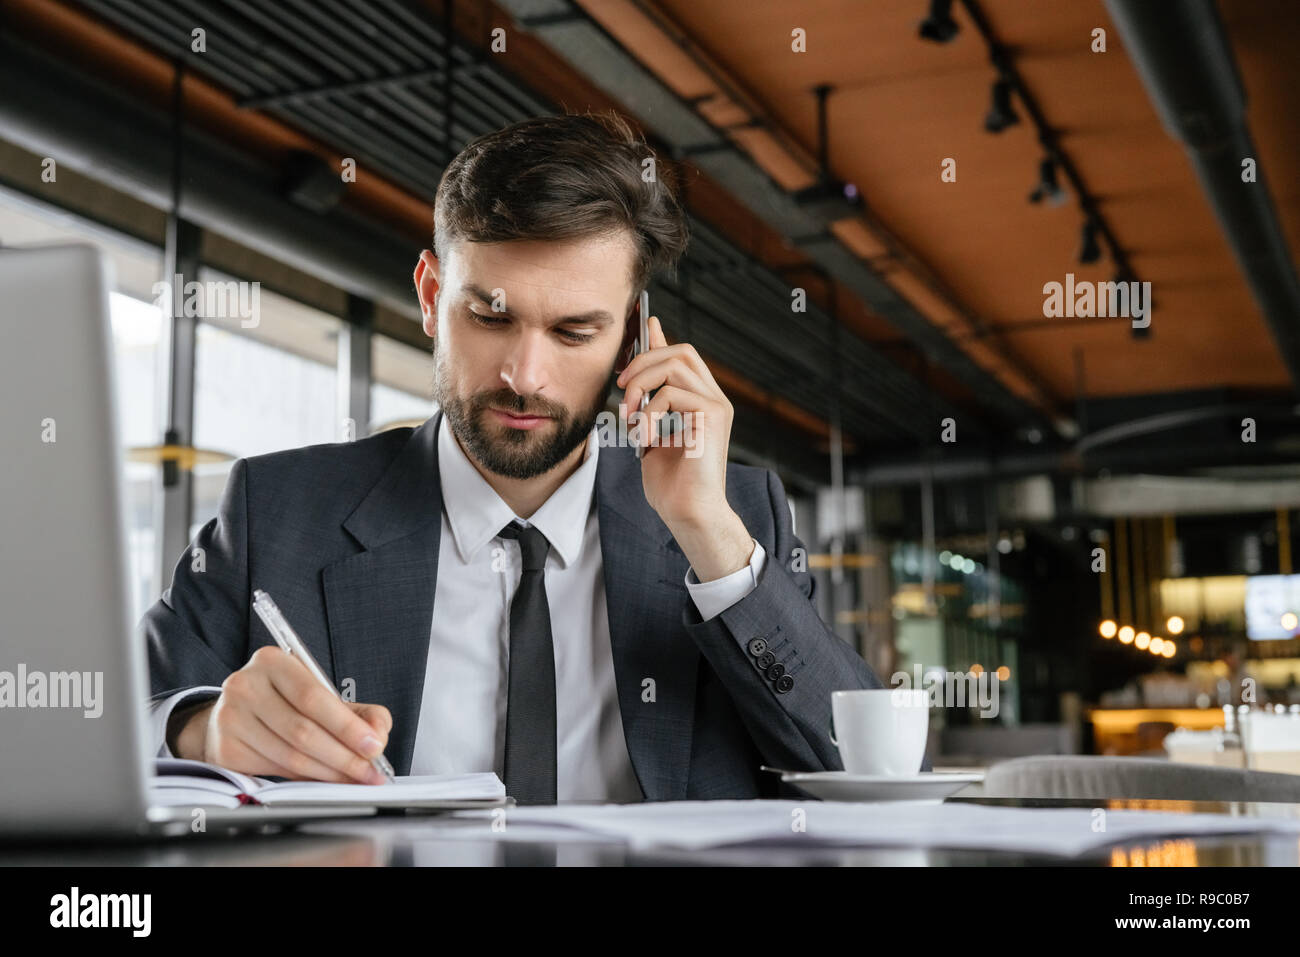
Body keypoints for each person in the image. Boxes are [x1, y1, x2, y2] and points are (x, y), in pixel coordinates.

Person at [142, 110, 908, 804]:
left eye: (574, 332)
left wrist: (707, 533)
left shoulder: (733, 520)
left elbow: (863, 771)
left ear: (635, 338)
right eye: (489, 315)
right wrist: (199, 731)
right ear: (430, 294)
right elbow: (102, 721)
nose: (524, 375)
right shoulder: (276, 512)